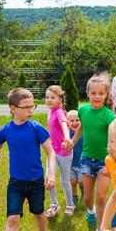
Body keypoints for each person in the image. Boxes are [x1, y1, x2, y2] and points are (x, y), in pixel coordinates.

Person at [0, 88, 56, 231]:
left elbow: (50, 152)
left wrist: (50, 174)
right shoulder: (5, 130)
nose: (30, 110)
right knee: (12, 218)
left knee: (39, 213)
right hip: (16, 183)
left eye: (32, 106)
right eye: (26, 107)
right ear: (13, 109)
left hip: (36, 181)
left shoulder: (36, 128)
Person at [64, 73, 116, 231]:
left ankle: (100, 229)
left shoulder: (108, 115)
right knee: (87, 198)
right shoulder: (82, 111)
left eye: (101, 93)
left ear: (106, 94)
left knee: (101, 197)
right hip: (86, 160)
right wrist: (72, 142)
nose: (97, 97)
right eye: (93, 93)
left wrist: (113, 156)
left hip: (104, 162)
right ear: (87, 93)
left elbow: (115, 134)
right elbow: (82, 127)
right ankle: (91, 212)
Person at [45, 85, 75, 217]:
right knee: (49, 177)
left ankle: (70, 204)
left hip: (64, 152)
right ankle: (54, 204)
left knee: (64, 180)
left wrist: (67, 138)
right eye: (47, 97)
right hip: (53, 152)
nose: (49, 100)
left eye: (52, 97)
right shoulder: (50, 112)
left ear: (60, 100)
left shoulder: (59, 112)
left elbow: (64, 124)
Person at [67, 110, 84, 205]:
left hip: (82, 162)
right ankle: (74, 196)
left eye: (77, 120)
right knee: (73, 181)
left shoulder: (84, 133)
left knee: (82, 182)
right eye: (72, 120)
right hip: (70, 163)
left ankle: (84, 192)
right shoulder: (66, 134)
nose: (75, 123)